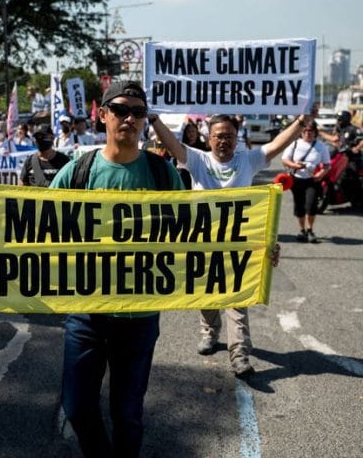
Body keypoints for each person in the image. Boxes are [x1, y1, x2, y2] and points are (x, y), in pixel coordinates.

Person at [49, 81, 184, 457]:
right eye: (121, 110)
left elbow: (196, 234)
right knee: (77, 407)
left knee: (127, 413)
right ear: (103, 115)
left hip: (139, 317)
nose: (130, 118)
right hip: (86, 314)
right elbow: (33, 224)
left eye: (138, 112)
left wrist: (254, 250)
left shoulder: (162, 173)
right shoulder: (78, 171)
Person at [157, 112, 310, 377]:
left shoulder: (248, 160)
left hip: (239, 244)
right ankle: (209, 331)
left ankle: (239, 354)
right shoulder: (198, 159)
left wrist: (300, 123)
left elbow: (277, 145)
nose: (223, 141)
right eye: (218, 136)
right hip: (204, 243)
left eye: (229, 136)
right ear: (209, 138)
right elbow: (171, 144)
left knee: (237, 298)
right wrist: (153, 120)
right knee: (207, 294)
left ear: (236, 138)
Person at [281, 121, 331, 243]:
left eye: (310, 131)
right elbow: (284, 159)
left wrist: (321, 174)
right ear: (301, 132)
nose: (308, 133)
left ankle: (310, 230)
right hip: (296, 180)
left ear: (315, 132)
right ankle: (302, 230)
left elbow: (327, 165)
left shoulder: (321, 146)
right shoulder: (295, 144)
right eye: (305, 131)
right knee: (299, 205)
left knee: (311, 204)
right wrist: (295, 165)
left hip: (312, 180)